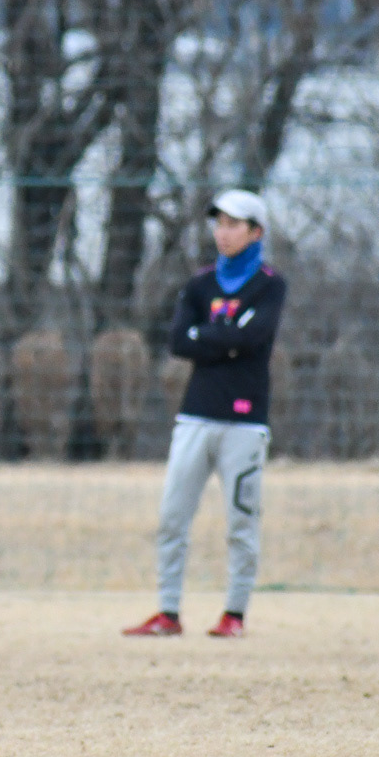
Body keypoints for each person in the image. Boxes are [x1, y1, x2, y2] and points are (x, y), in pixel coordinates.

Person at [124, 189, 286, 639]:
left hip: (245, 420)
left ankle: (234, 615)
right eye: (219, 223)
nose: (223, 232)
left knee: (241, 522)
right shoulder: (199, 285)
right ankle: (168, 613)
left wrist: (210, 335)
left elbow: (254, 337)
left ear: (256, 232)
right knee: (172, 517)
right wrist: (227, 335)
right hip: (195, 415)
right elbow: (179, 341)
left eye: (234, 224)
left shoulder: (270, 284)